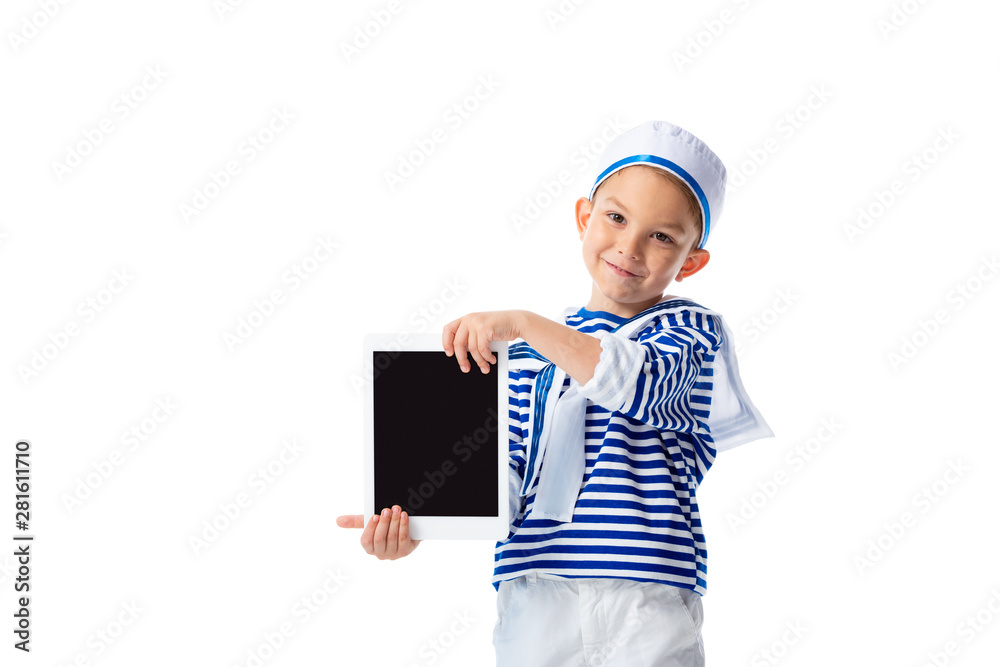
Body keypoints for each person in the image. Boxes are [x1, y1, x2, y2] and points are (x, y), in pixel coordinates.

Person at [338, 120, 773, 666]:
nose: (629, 247)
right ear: (584, 218)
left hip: (644, 591)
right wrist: (416, 525)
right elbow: (505, 480)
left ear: (690, 262)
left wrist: (523, 323)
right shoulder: (524, 358)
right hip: (535, 587)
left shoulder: (690, 334)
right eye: (615, 217)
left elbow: (628, 378)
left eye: (662, 236)